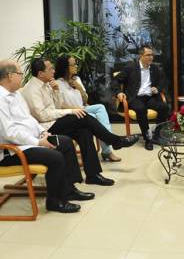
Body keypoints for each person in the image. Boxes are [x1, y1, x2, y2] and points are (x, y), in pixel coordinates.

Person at [0, 60, 95, 213]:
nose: (22, 77)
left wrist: (42, 132)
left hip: (26, 142)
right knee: (55, 156)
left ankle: (68, 190)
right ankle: (54, 201)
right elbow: (10, 133)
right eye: (20, 74)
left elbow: (29, 119)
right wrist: (39, 142)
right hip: (10, 151)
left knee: (65, 143)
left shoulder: (14, 94)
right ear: (9, 76)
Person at [21, 58, 139, 186]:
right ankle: (115, 141)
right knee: (82, 116)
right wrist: (70, 111)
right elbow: (42, 116)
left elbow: (57, 105)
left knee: (85, 131)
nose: (53, 71)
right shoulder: (32, 89)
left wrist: (56, 91)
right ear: (40, 74)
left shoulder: (47, 84)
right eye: (50, 69)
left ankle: (93, 175)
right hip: (45, 129)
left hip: (54, 121)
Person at [54, 55, 121, 162]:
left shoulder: (77, 79)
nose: (76, 66)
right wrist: (75, 109)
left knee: (100, 107)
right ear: (66, 67)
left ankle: (109, 144)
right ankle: (108, 151)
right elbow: (60, 105)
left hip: (83, 108)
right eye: (73, 64)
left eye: (76, 63)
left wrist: (78, 86)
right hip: (71, 113)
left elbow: (85, 100)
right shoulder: (57, 83)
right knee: (95, 117)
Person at [112, 44, 168, 151]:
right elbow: (115, 80)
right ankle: (148, 139)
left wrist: (157, 89)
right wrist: (118, 92)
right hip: (135, 97)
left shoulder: (155, 68)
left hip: (150, 97)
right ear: (141, 56)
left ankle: (158, 134)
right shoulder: (131, 67)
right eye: (148, 55)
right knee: (141, 109)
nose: (151, 57)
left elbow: (162, 82)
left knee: (164, 107)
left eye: (152, 55)